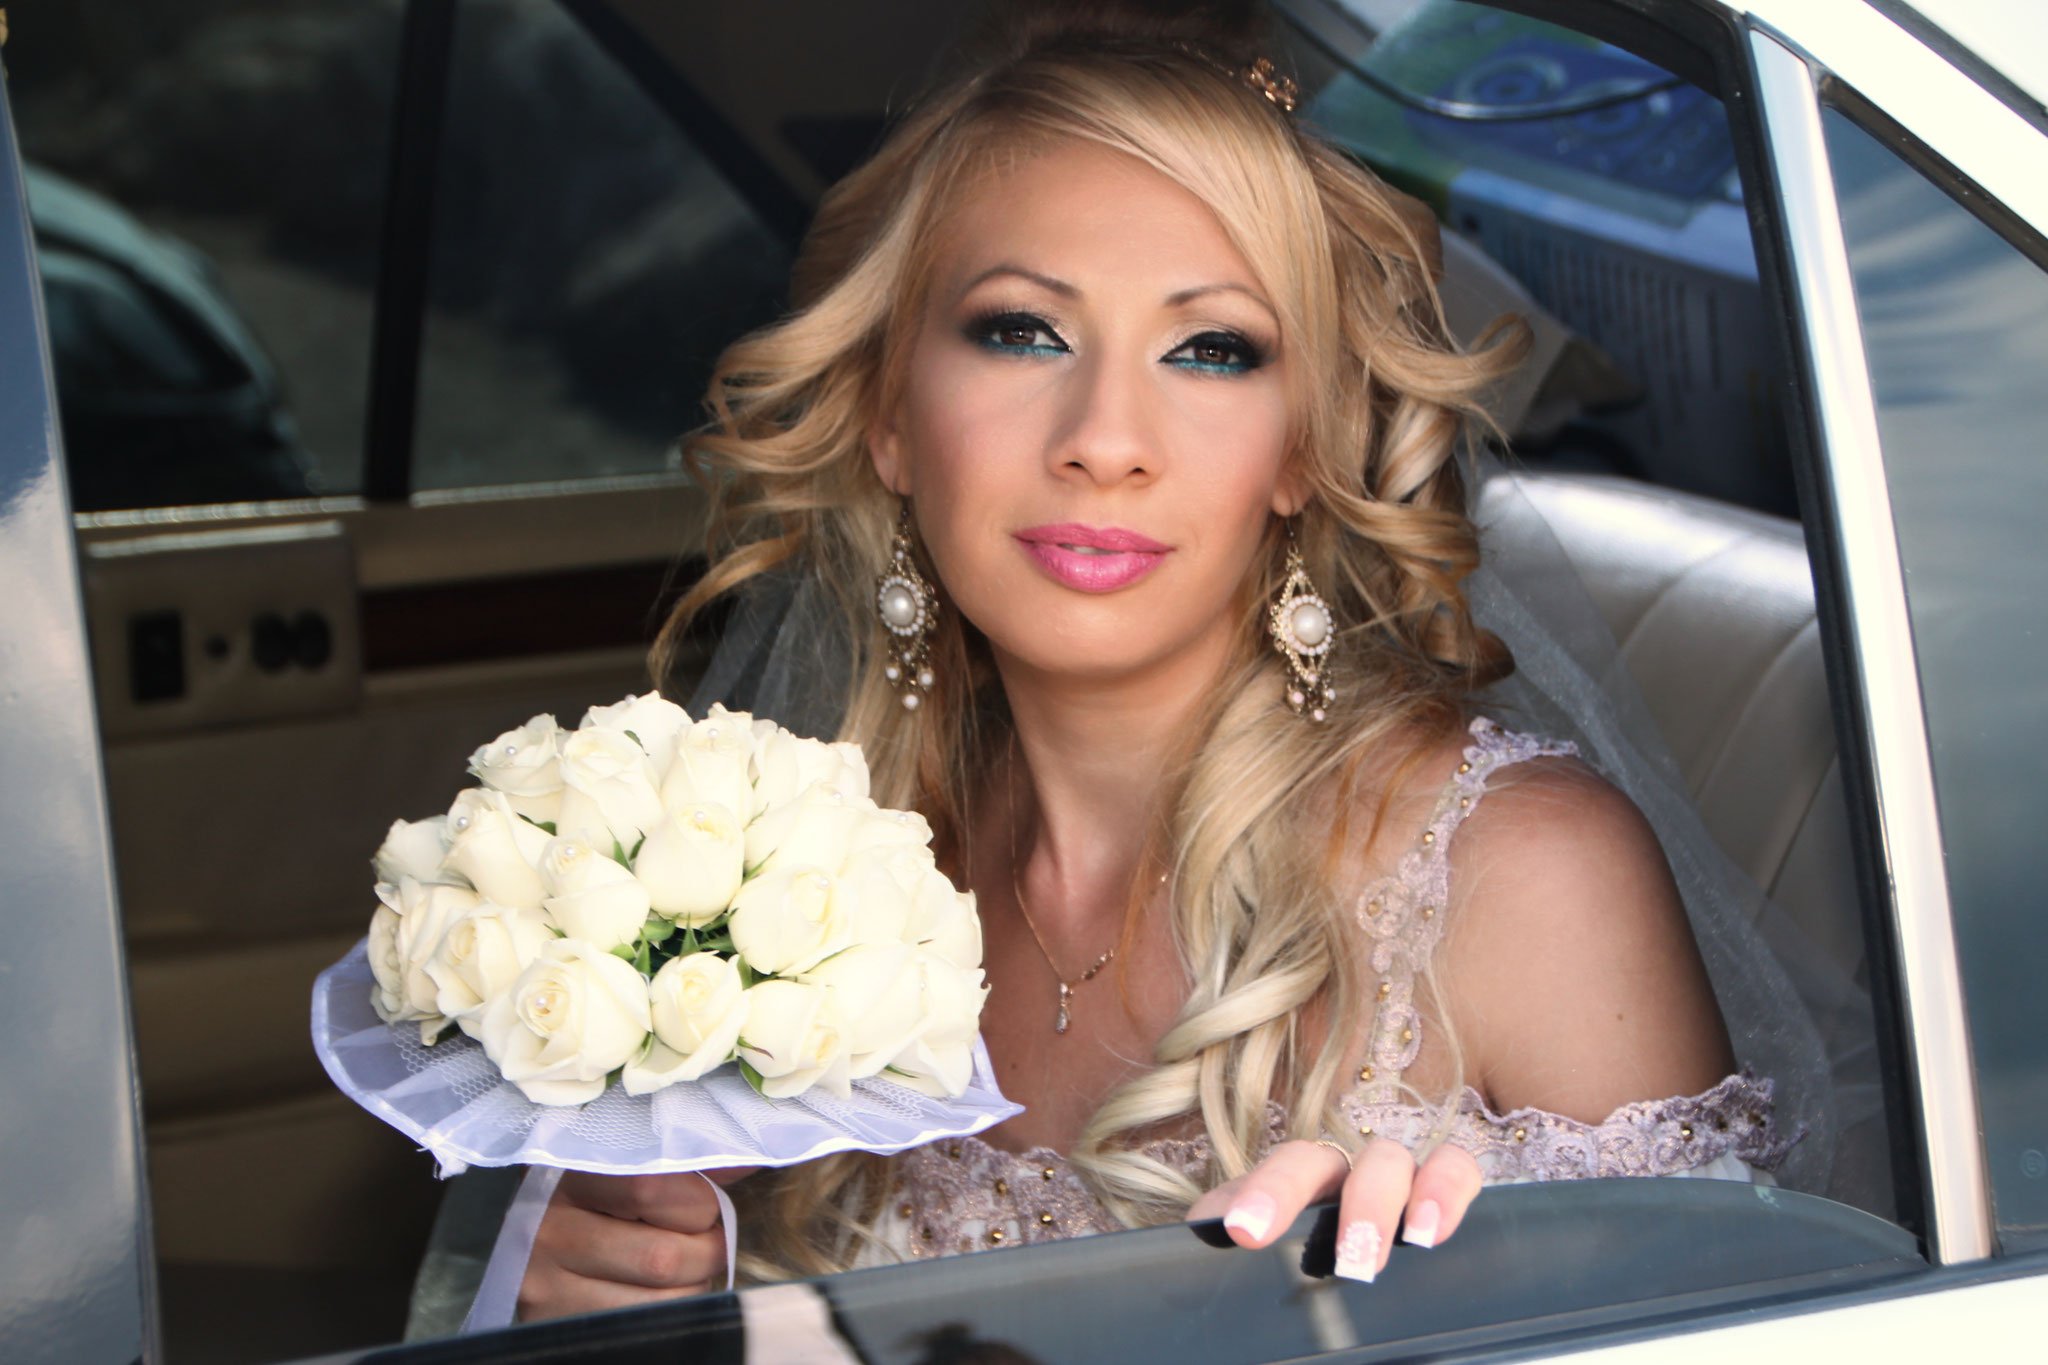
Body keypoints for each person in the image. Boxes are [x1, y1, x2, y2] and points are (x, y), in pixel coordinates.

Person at [502, 2, 1795, 1322]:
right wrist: (604, 1306)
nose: (1106, 439)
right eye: (1023, 330)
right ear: (891, 415)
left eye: (1211, 349)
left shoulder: (1522, 880)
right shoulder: (795, 881)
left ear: (1303, 446)